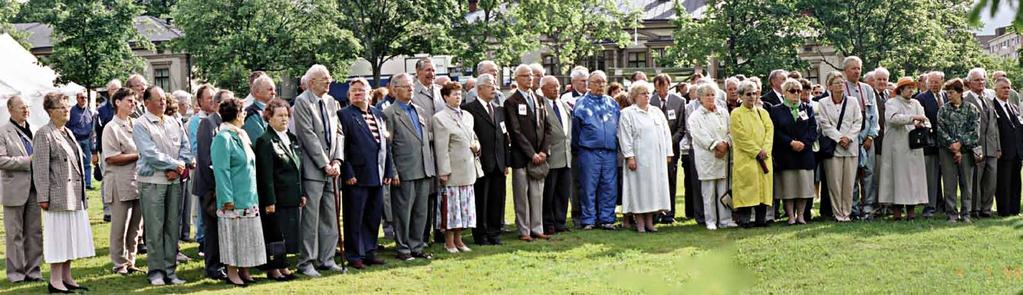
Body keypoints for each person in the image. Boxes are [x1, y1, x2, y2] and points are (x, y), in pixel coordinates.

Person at [33, 92, 96, 293]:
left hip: (74, 193)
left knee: (71, 237)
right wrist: (43, 196)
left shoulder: (66, 132)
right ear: (51, 111)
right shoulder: (44, 133)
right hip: (57, 194)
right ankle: (55, 280)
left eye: (67, 106)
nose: (67, 110)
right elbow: (40, 168)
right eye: (62, 107)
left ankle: (67, 276)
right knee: (59, 238)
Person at [133, 85, 193, 285]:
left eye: (164, 99)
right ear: (146, 102)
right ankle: (156, 272)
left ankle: (170, 271)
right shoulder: (141, 124)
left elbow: (186, 147)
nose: (162, 102)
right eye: (158, 100)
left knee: (172, 227)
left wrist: (178, 167)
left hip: (173, 181)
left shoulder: (174, 122)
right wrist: (175, 165)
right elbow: (150, 154)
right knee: (155, 228)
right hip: (152, 183)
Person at [293, 64, 345, 276]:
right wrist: (324, 163)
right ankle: (306, 262)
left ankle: (327, 258)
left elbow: (339, 133)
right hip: (313, 170)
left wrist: (337, 161)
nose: (329, 81)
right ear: (312, 81)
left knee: (330, 215)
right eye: (325, 78)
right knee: (311, 218)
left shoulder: (333, 102)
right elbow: (308, 135)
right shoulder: (302, 102)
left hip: (332, 168)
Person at [338, 77, 394, 269]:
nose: (357, 93)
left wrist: (388, 169)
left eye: (361, 90)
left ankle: (370, 251)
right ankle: (354, 254)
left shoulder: (379, 114)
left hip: (377, 174)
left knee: (373, 216)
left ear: (369, 93)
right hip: (356, 176)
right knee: (354, 218)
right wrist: (348, 172)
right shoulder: (343, 115)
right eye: (354, 91)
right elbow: (342, 147)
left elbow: (386, 144)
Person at [211, 98, 268, 287]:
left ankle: (244, 268)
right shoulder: (223, 137)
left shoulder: (242, 135)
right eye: (243, 111)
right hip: (233, 196)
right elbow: (221, 170)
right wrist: (227, 198)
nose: (245, 114)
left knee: (246, 234)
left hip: (248, 194)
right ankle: (232, 271)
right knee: (232, 235)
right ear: (236, 114)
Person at [383, 73, 436, 260]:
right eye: (406, 86)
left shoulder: (419, 110)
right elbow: (388, 146)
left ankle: (417, 246)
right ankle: (403, 248)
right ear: (395, 89)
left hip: (423, 168)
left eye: (411, 86)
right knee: (403, 212)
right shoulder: (389, 113)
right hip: (404, 171)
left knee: (421, 211)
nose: (410, 89)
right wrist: (394, 171)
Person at [254, 98, 301, 281]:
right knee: (275, 233)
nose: (284, 119)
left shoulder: (291, 138)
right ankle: (274, 268)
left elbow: (298, 168)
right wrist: (270, 200)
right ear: (269, 117)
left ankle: (283, 266)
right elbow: (265, 175)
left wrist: (301, 193)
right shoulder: (265, 141)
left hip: (291, 194)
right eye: (279, 115)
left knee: (287, 233)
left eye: (286, 115)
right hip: (276, 197)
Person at [431, 82, 481, 252]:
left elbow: (473, 137)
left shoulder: (468, 116)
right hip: (452, 171)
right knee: (451, 208)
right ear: (445, 97)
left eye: (459, 94)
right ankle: (449, 241)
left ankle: (459, 240)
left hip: (468, 169)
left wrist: (477, 146)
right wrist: (443, 171)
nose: (458, 97)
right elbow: (441, 147)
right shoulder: (440, 118)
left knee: (464, 209)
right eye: (454, 94)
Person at [505, 64, 552, 241]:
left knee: (537, 193)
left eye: (531, 75)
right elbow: (515, 132)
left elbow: (547, 128)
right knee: (522, 195)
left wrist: (543, 152)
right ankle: (524, 230)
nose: (529, 78)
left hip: (539, 155)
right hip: (521, 156)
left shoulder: (539, 100)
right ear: (516, 79)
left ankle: (537, 227)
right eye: (525, 76)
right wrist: (531, 153)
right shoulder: (511, 101)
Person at [618, 81, 673, 232]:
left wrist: (669, 152)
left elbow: (666, 133)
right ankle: (640, 222)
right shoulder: (627, 113)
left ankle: (650, 221)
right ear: (635, 96)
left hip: (656, 158)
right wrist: (630, 157)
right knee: (639, 189)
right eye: (643, 93)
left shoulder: (656, 112)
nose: (647, 96)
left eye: (648, 93)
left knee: (653, 189)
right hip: (639, 158)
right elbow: (625, 137)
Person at [462, 74, 509, 245]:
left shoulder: (498, 109)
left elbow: (504, 136)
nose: (494, 88)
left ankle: (494, 233)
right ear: (479, 88)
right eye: (490, 85)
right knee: (481, 199)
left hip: (498, 162)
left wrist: (506, 162)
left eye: (494, 85)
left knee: (497, 199)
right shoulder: (469, 109)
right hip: (481, 163)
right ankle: (480, 234)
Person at [0, 95, 43, 283]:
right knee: (14, 234)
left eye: (27, 107)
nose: (26, 110)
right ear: (10, 110)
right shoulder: (3, 132)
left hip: (34, 189)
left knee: (34, 233)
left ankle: (34, 272)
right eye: (21, 107)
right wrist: (28, 161)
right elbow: (1, 160)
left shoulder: (34, 130)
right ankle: (16, 274)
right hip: (14, 190)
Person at [102, 88, 144, 275]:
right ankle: (119, 263)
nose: (133, 104)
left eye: (134, 101)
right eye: (129, 100)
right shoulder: (111, 128)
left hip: (137, 181)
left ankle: (131, 260)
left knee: (136, 226)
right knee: (120, 225)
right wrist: (138, 155)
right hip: (119, 182)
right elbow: (111, 158)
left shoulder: (136, 124)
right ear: (117, 102)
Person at [572, 70, 620, 230]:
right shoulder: (581, 104)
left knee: (609, 186)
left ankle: (606, 218)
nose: (600, 85)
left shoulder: (612, 103)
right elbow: (576, 130)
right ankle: (589, 219)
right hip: (589, 151)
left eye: (603, 82)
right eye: (597, 82)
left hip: (609, 152)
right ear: (589, 84)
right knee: (588, 186)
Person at [877, 77, 929, 220]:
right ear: (901, 89)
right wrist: (913, 118)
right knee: (897, 177)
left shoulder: (916, 103)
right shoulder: (892, 102)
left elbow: (924, 118)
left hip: (913, 146)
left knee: (913, 178)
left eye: (912, 88)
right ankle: (897, 212)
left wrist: (921, 123)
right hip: (897, 146)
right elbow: (893, 119)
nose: (911, 91)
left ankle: (911, 211)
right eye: (908, 88)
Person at [768, 79, 817, 225]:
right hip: (786, 154)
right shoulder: (776, 110)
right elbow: (775, 131)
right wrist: (790, 142)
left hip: (805, 153)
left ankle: (800, 215)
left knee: (803, 186)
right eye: (792, 91)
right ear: (784, 93)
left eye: (798, 91)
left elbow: (813, 128)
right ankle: (790, 216)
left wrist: (804, 143)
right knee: (788, 186)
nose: (796, 93)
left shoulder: (807, 108)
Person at [194, 89, 232, 281]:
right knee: (212, 229)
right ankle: (212, 266)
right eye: (227, 103)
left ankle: (224, 263)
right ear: (217, 104)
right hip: (210, 187)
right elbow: (205, 158)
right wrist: (216, 188)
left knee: (223, 228)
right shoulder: (207, 124)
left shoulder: (227, 125)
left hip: (224, 186)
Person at [689, 83, 737, 230]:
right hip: (708, 157)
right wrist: (715, 145)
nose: (710, 98)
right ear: (700, 98)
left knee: (723, 189)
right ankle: (710, 220)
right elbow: (699, 136)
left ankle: (725, 219)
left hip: (724, 155)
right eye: (707, 95)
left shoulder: (723, 112)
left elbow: (731, 131)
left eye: (712, 95)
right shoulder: (695, 116)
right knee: (708, 191)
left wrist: (726, 144)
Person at [818, 72, 864, 222]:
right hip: (834, 147)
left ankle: (847, 212)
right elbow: (825, 124)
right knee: (835, 183)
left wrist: (849, 138)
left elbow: (858, 122)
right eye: (836, 83)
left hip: (850, 147)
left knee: (849, 183)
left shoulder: (852, 102)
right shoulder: (823, 103)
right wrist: (839, 138)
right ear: (829, 86)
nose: (840, 85)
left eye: (841, 82)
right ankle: (838, 213)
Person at [730, 78, 776, 227]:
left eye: (754, 94)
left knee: (762, 189)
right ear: (741, 96)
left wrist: (765, 150)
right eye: (748, 94)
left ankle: (761, 219)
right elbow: (739, 135)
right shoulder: (736, 113)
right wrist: (756, 151)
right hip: (747, 158)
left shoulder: (763, 112)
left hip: (764, 157)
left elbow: (770, 131)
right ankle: (745, 220)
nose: (752, 97)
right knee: (746, 187)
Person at [937, 79, 979, 223]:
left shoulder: (971, 109)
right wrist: (953, 146)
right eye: (947, 92)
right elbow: (940, 131)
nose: (949, 95)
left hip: (966, 151)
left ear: (960, 92)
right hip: (947, 151)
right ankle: (952, 215)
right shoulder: (943, 110)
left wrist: (960, 144)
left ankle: (966, 214)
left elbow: (974, 131)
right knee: (949, 184)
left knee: (966, 184)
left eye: (951, 92)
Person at [843, 58, 878, 221]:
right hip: (850, 139)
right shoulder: (841, 88)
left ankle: (869, 207)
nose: (856, 71)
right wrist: (852, 137)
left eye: (858, 68)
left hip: (868, 137)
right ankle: (854, 208)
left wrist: (870, 135)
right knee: (853, 174)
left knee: (869, 172)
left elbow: (874, 115)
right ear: (846, 71)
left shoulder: (867, 89)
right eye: (853, 69)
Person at [963, 68, 1000, 218]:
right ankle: (975, 209)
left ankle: (986, 209)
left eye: (982, 79)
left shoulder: (990, 99)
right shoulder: (965, 99)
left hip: (991, 146)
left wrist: (998, 147)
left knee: (991, 180)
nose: (981, 82)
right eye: (977, 80)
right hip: (975, 146)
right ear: (970, 82)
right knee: (975, 180)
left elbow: (995, 126)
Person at [650, 74, 687, 224]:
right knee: (655, 180)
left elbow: (681, 127)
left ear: (669, 85)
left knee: (671, 179)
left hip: (672, 148)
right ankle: (655, 212)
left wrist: (668, 143)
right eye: (659, 87)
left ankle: (669, 212)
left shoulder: (679, 101)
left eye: (664, 86)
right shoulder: (651, 101)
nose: (662, 90)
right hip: (653, 148)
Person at [540, 76, 573, 234]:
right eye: (552, 87)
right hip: (551, 155)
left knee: (563, 191)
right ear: (543, 88)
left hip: (566, 155)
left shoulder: (564, 104)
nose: (556, 89)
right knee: (549, 192)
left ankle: (560, 221)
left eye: (557, 86)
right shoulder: (541, 105)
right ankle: (548, 222)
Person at [186, 85, 216, 252]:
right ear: (199, 101)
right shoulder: (196, 121)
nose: (212, 101)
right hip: (203, 171)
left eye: (214, 97)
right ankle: (202, 240)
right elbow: (196, 148)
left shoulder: (218, 118)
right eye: (208, 98)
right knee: (204, 208)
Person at [916, 71, 947, 217]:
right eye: (931, 82)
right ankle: (930, 207)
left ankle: (944, 205)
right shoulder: (921, 98)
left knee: (946, 176)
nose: (934, 84)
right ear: (927, 83)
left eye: (937, 81)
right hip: (930, 144)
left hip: (946, 143)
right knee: (931, 177)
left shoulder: (947, 96)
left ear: (942, 81)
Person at [992, 78, 1022, 216]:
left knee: (1016, 181)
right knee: (1003, 182)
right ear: (996, 89)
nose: (1007, 90)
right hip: (1002, 150)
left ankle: (1015, 210)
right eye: (1003, 87)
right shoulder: (992, 106)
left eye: (1008, 87)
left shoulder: (1014, 107)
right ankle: (1004, 210)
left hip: (1017, 151)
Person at [68, 92, 97, 190]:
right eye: (81, 98)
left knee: (87, 163)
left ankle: (87, 184)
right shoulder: (71, 111)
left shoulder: (89, 111)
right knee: (76, 163)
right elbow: (67, 126)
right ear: (77, 99)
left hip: (87, 140)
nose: (84, 99)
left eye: (85, 98)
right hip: (76, 140)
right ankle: (77, 184)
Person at [243, 75, 277, 140]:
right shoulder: (251, 114)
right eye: (270, 89)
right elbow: (260, 143)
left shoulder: (274, 111)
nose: (274, 93)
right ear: (257, 92)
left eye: (274, 90)